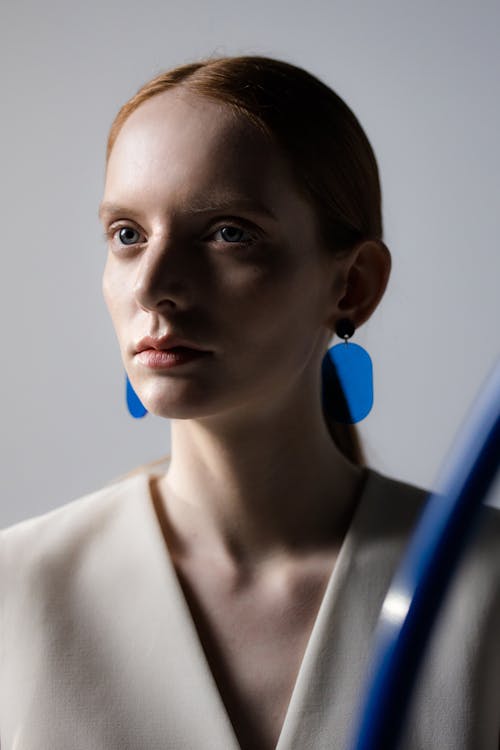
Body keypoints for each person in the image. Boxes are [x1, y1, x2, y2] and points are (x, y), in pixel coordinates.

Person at [1, 55, 498, 750]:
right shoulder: (14, 592)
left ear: (352, 286)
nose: (153, 286)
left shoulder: (484, 587)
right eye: (127, 235)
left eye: (228, 232)